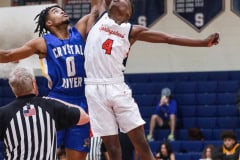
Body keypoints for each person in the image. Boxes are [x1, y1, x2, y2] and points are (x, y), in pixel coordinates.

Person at [83, 0, 219, 159]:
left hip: (116, 87)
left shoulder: (132, 31)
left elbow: (169, 38)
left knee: (140, 142)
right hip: (93, 88)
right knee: (111, 147)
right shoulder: (102, 15)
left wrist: (202, 43)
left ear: (128, 13)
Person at [0, 5, 93, 160]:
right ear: (49, 23)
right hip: (56, 103)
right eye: (55, 11)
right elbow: (10, 55)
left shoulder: (79, 31)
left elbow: (96, 9)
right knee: (43, 154)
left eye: (61, 9)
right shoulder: (42, 43)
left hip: (82, 101)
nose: (62, 11)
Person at [0, 67, 89, 160]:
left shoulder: (2, 114)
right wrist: (55, 100)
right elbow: (84, 117)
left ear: (13, 89)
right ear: (34, 84)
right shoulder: (50, 106)